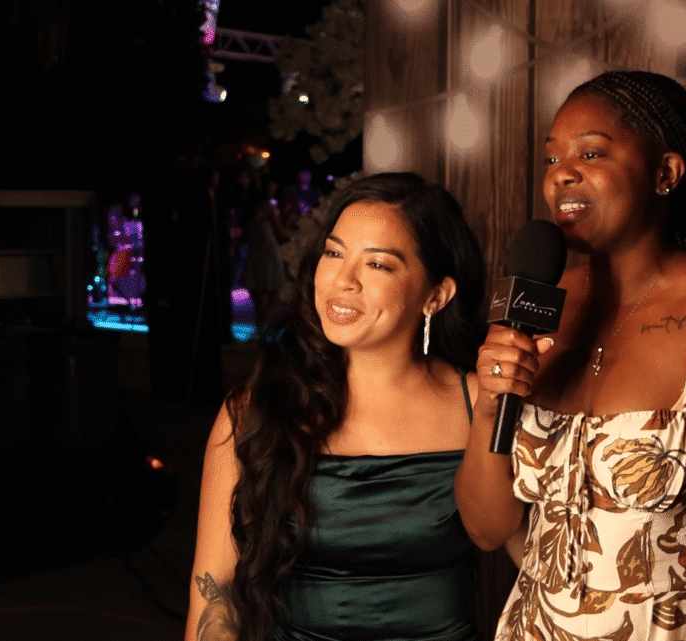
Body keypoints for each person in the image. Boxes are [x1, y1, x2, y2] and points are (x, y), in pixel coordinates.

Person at [454, 70, 686, 640]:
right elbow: (486, 525)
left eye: (590, 153)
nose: (562, 174)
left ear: (665, 173)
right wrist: (490, 401)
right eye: (551, 160)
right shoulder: (539, 305)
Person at [186, 172, 488, 641]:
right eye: (334, 253)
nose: (342, 281)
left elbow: (539, 558)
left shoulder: (480, 404)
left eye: (378, 265)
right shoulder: (258, 408)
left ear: (437, 295)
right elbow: (214, 593)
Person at [242, 173, 289, 332]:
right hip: (269, 251)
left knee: (262, 291)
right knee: (278, 294)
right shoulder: (268, 207)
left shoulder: (251, 207)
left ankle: (260, 329)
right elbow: (282, 232)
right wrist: (289, 215)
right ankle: (262, 325)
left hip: (256, 251)